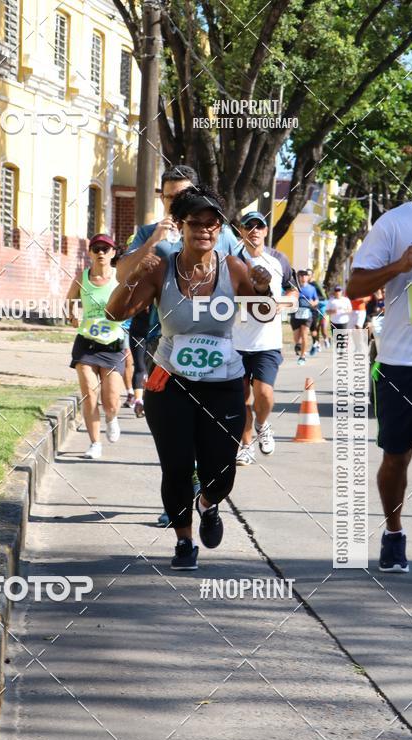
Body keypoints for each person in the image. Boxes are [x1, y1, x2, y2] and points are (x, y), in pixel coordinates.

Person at [106, 185, 272, 569]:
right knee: (176, 466)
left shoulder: (232, 268)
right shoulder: (162, 267)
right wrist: (134, 277)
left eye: (212, 224)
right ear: (180, 226)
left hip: (224, 384)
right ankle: (184, 541)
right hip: (171, 382)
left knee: (222, 471)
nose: (205, 230)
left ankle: (208, 503)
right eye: (195, 223)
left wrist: (262, 287)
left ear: (219, 229)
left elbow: (264, 314)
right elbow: (115, 314)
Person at [118, 164, 241, 526]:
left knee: (217, 452)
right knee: (176, 453)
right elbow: (122, 276)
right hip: (163, 345)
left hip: (219, 355)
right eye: (170, 197)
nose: (176, 202)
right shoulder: (146, 232)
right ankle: (180, 515)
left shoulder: (221, 234)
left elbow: (245, 284)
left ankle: (207, 498)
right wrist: (154, 241)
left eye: (182, 195)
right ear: (163, 199)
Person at [346, 133, 412, 576]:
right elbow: (354, 288)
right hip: (401, 362)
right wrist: (399, 266)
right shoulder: (394, 223)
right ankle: (394, 532)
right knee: (396, 458)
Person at [232, 211, 299, 465]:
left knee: (264, 394)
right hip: (235, 341)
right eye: (249, 226)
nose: (254, 230)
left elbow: (293, 290)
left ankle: (262, 423)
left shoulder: (279, 259)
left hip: (266, 343)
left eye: (259, 226)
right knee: (241, 399)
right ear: (241, 231)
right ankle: (246, 445)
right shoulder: (232, 261)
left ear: (265, 231)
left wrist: (286, 303)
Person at [66, 233, 125, 460]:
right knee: (89, 394)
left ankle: (111, 418)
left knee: (110, 401)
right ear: (90, 252)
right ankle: (94, 443)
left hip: (112, 343)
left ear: (112, 253)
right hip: (86, 343)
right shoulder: (82, 278)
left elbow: (132, 302)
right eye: (96, 248)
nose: (101, 252)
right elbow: (70, 299)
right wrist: (71, 315)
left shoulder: (119, 278)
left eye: (105, 249)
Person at [292, 270, 319, 364]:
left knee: (304, 335)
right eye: (301, 276)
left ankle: (302, 356)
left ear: (308, 277)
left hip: (307, 314)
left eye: (305, 276)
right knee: (296, 337)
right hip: (295, 313)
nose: (303, 277)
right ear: (299, 277)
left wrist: (313, 303)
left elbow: (316, 300)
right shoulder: (295, 288)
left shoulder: (312, 288)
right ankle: (298, 345)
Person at [306, 268, 329, 351]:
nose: (306, 276)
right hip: (314, 306)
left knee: (321, 326)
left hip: (322, 305)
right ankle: (317, 343)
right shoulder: (306, 285)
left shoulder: (314, 284)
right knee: (314, 326)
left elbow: (323, 296)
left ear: (311, 275)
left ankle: (325, 339)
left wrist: (314, 299)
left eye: (308, 274)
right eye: (305, 274)